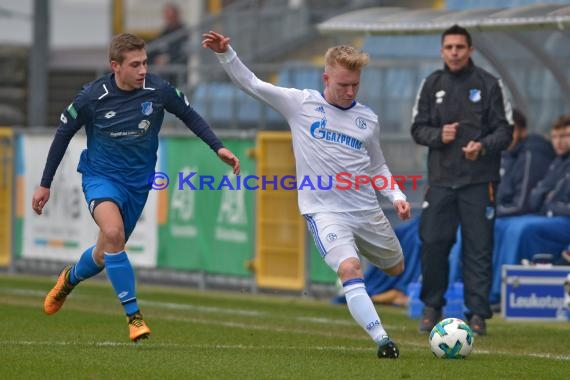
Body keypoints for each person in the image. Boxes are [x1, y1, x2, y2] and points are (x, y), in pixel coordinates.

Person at [202, 30, 411, 359]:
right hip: (324, 211)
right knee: (350, 269)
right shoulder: (300, 103)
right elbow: (253, 84)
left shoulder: (367, 119)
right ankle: (383, 339)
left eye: (355, 84)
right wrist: (226, 54)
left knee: (397, 268)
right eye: (343, 85)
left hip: (366, 211)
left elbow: (378, 166)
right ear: (325, 77)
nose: (349, 91)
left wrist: (396, 195)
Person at [32, 33, 240, 342]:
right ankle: (134, 317)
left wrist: (217, 147)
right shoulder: (92, 97)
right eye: (135, 65)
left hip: (138, 183)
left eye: (144, 63)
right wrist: (45, 183)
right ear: (115, 66)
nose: (143, 70)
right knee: (114, 234)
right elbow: (63, 134)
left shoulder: (158, 90)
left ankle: (69, 279)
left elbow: (189, 115)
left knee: (105, 252)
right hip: (100, 177)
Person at [411, 24, 513, 335]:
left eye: (460, 47)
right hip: (441, 181)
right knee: (433, 245)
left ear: (470, 50)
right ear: (442, 51)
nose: (454, 52)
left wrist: (482, 147)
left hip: (479, 182)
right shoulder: (431, 84)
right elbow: (417, 128)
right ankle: (431, 307)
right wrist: (438, 135)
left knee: (478, 248)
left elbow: (506, 131)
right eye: (449, 47)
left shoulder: (489, 84)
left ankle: (478, 314)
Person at [148, 3, 188, 67]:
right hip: (162, 68)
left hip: (177, 69)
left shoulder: (184, 32)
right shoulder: (164, 32)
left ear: (177, 16)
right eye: (167, 17)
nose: (169, 20)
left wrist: (167, 58)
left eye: (171, 17)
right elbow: (156, 47)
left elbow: (181, 51)